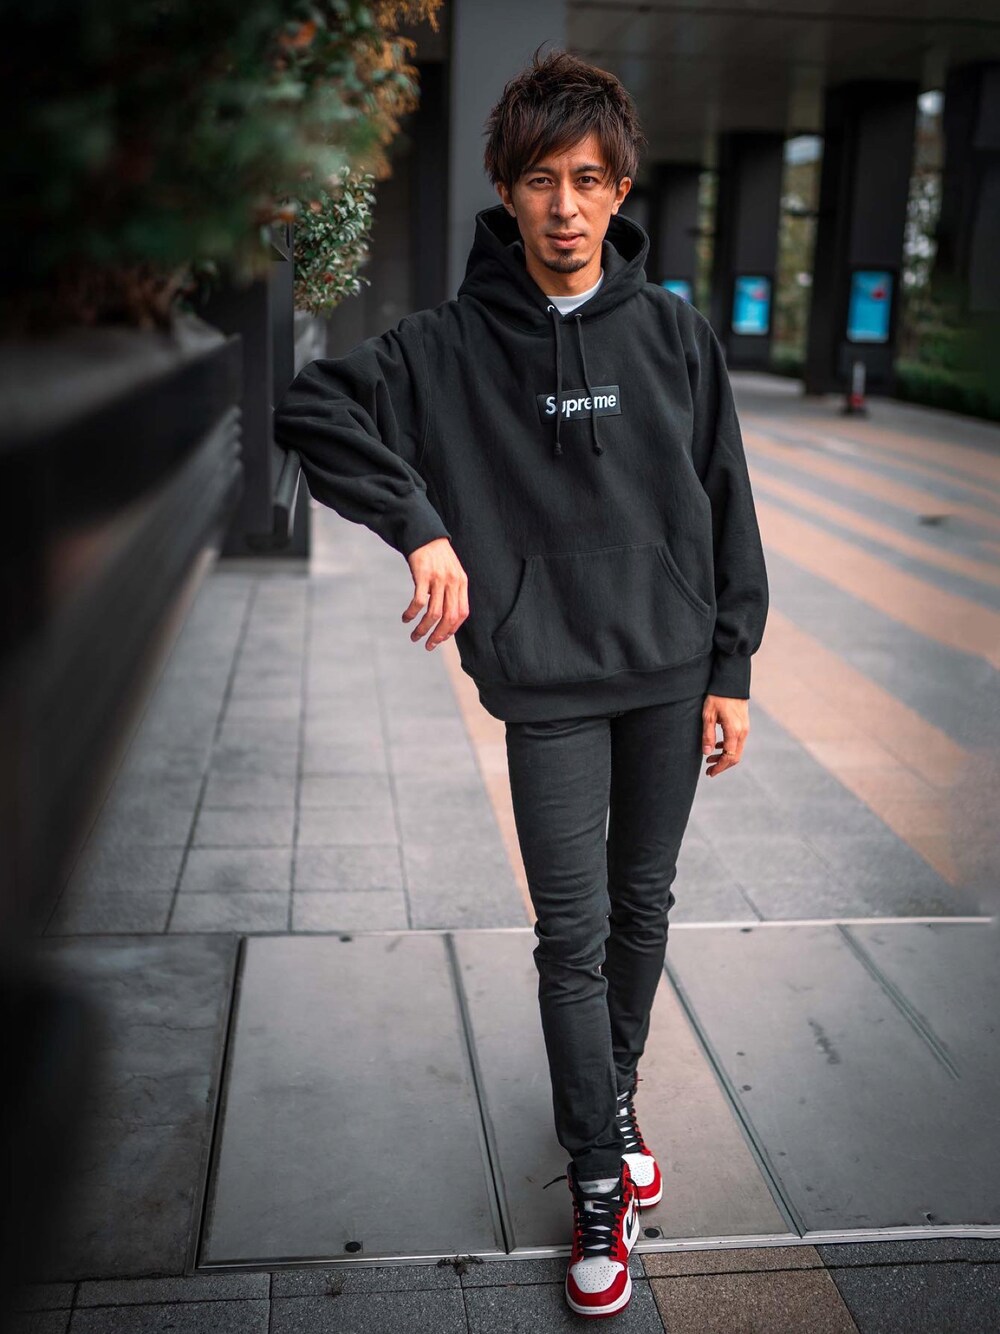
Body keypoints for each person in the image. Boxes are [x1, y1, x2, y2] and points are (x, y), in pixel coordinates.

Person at [273, 45, 769, 1319]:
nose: (564, 206)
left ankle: (614, 1099)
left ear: (619, 192)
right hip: (546, 680)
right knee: (573, 934)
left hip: (669, 671)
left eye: (588, 180)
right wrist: (422, 527)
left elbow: (726, 498)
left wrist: (731, 665)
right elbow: (312, 409)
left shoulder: (674, 336)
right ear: (505, 190)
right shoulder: (443, 347)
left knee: (642, 903)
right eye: (541, 180)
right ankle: (598, 1176)